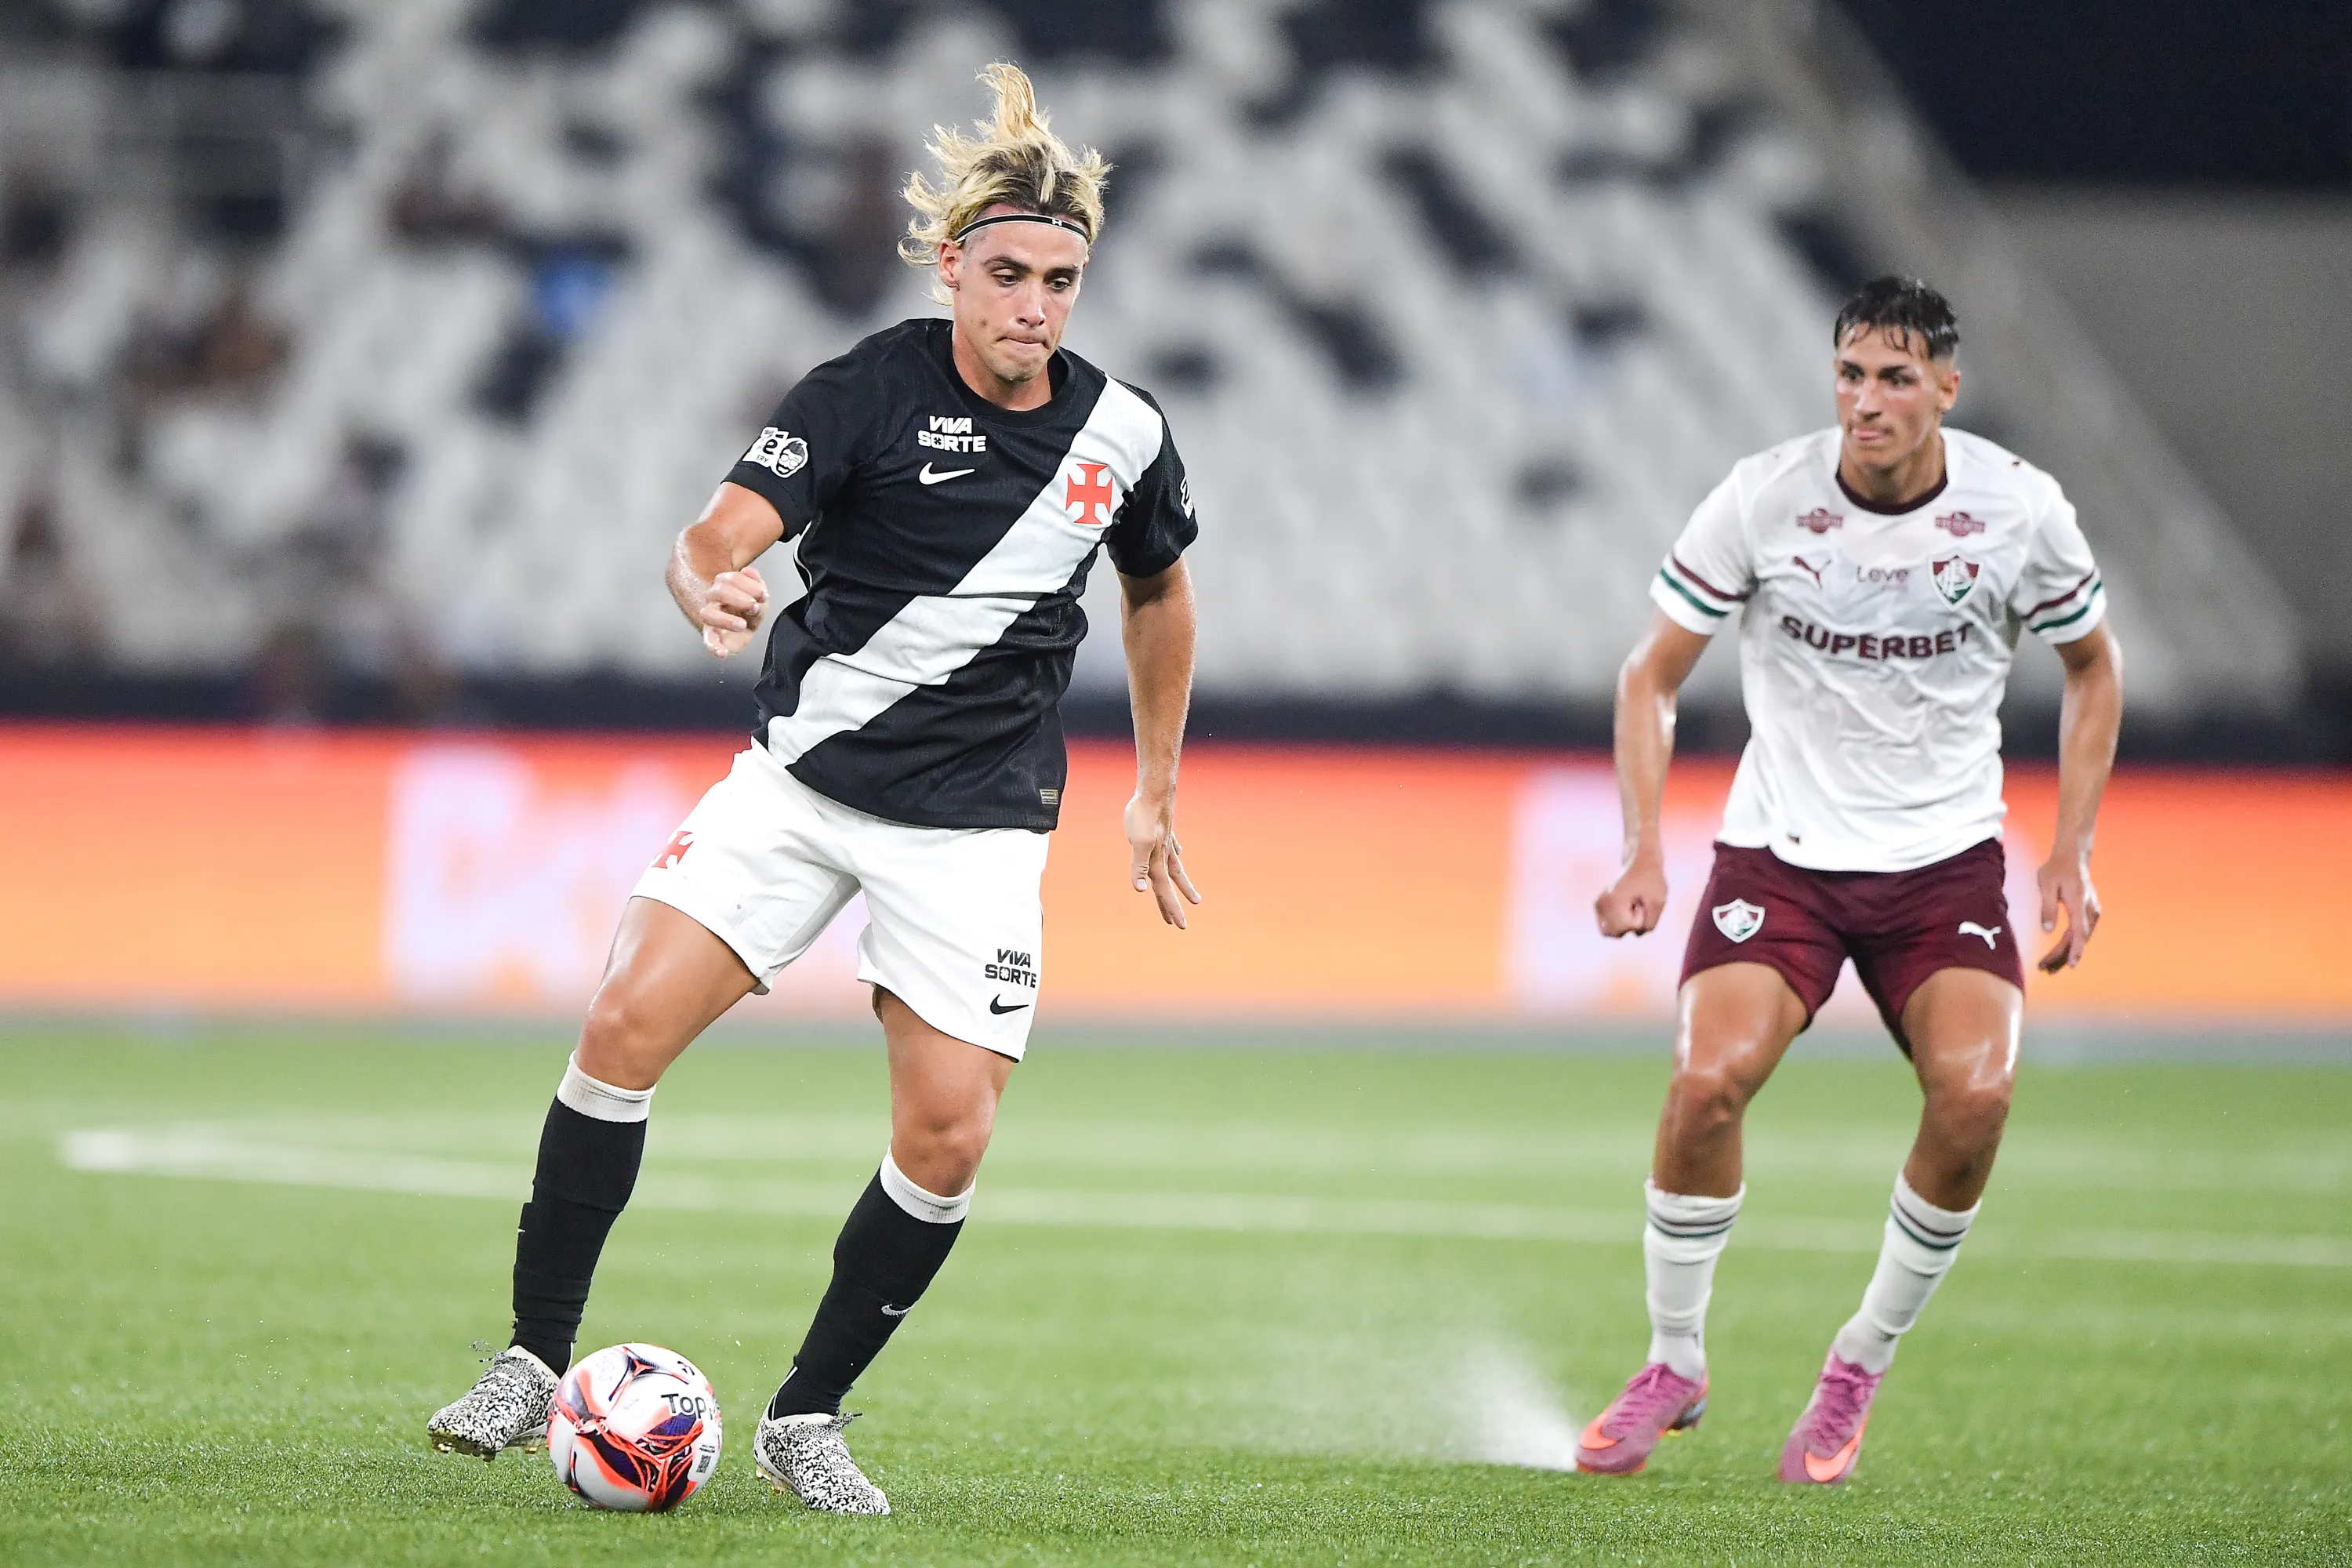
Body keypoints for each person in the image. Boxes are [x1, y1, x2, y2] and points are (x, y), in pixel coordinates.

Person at [425, 63, 1203, 1515]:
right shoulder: (864, 392)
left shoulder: (1125, 436)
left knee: (949, 1135)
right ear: (953, 266)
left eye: (1064, 280)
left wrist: (1155, 786)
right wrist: (702, 577)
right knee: (620, 1023)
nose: (1036, 305)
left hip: (975, 827)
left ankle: (808, 1415)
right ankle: (534, 1361)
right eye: (1011, 274)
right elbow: (722, 527)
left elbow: (1160, 593)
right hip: (799, 790)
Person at [1574, 276, 2122, 1484]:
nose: (1866, 402)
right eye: (1850, 376)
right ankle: (1674, 1361)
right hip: (1784, 860)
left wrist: (2070, 853)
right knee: (1706, 1082)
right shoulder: (1763, 500)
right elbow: (1648, 677)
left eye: (1895, 379)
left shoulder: (2020, 512)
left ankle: (1856, 1366)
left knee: (1976, 1100)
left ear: (1946, 390)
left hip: (1945, 865)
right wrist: (1642, 846)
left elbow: (2093, 668)